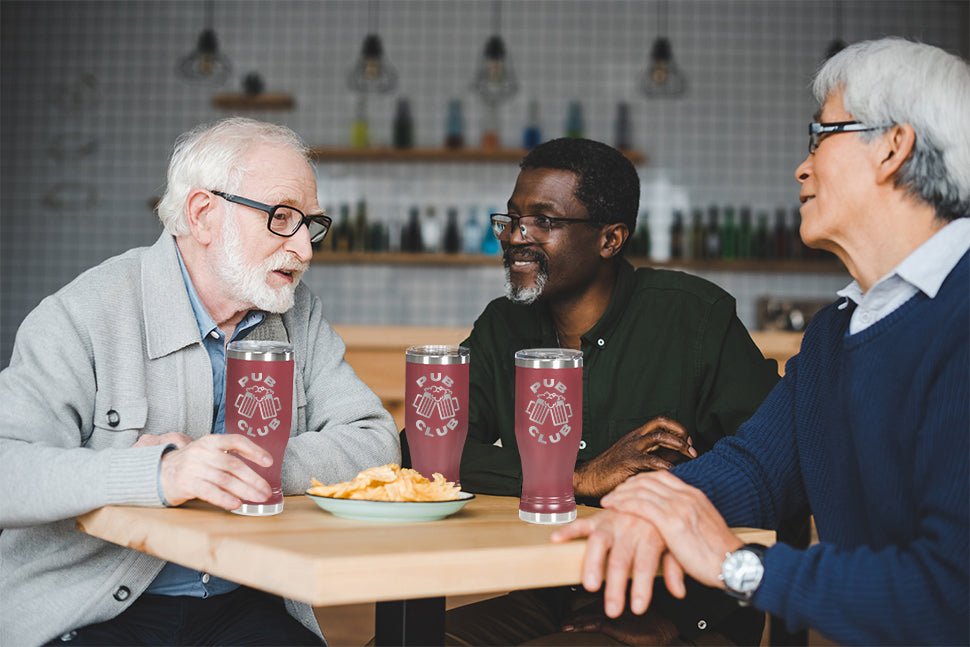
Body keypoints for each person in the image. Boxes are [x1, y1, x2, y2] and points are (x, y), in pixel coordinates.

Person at [552, 37, 970, 646]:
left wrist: (737, 566)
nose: (802, 167)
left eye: (820, 136)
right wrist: (651, 503)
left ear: (892, 146)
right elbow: (755, 468)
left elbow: (950, 595)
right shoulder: (836, 334)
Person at [0, 117, 401, 646]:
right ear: (204, 214)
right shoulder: (83, 312)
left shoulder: (298, 316)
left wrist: (236, 468)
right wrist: (160, 475)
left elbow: (375, 441)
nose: (305, 248)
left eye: (310, 224)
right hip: (93, 608)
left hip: (244, 603)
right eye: (283, 218)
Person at [420, 137, 781, 645]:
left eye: (544, 220)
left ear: (610, 239)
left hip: (678, 602)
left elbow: (772, 475)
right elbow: (426, 449)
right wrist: (576, 478)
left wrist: (687, 623)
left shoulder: (695, 317)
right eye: (512, 219)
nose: (516, 237)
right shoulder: (503, 326)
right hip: (547, 588)